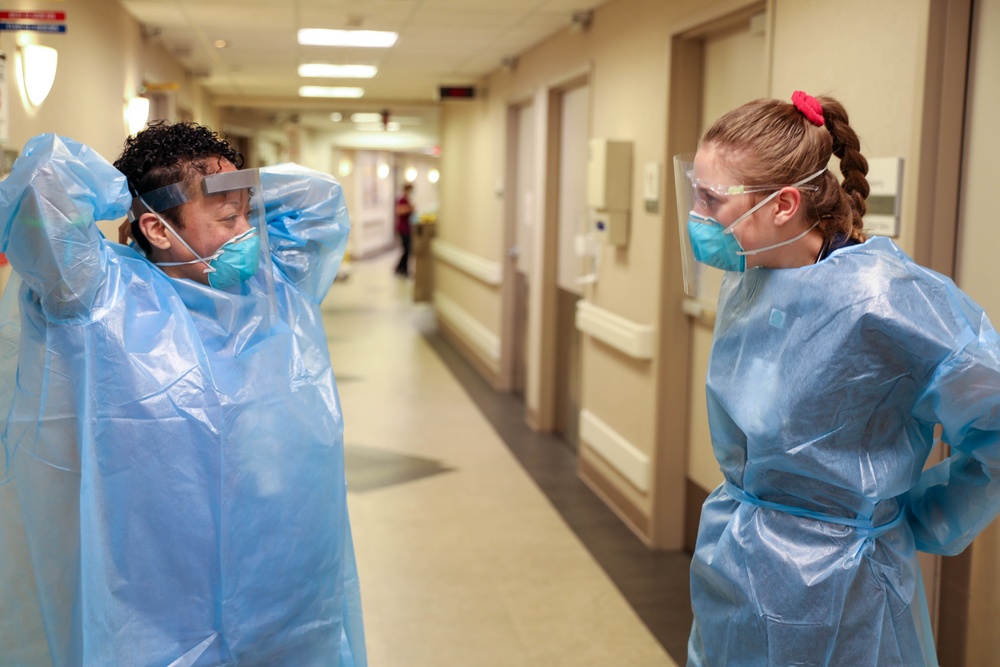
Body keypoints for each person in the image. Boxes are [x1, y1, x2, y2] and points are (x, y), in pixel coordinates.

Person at [0, 122, 366, 666]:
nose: (248, 232)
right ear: (157, 227)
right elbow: (42, 187)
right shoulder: (95, 298)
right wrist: (136, 189)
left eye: (248, 212)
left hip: (283, 597)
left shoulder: (275, 288)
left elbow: (319, 201)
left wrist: (227, 184)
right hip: (154, 609)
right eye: (227, 217)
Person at [677, 92, 1000, 666]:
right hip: (735, 562)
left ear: (782, 205)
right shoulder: (751, 277)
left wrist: (928, 514)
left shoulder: (888, 300)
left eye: (710, 198)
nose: (697, 216)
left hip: (842, 586)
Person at [394, 183, 414, 276]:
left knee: (408, 249)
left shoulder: (408, 200)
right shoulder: (402, 200)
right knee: (406, 249)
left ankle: (403, 268)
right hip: (402, 228)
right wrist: (409, 209)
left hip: (407, 227)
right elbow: (400, 211)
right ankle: (400, 267)